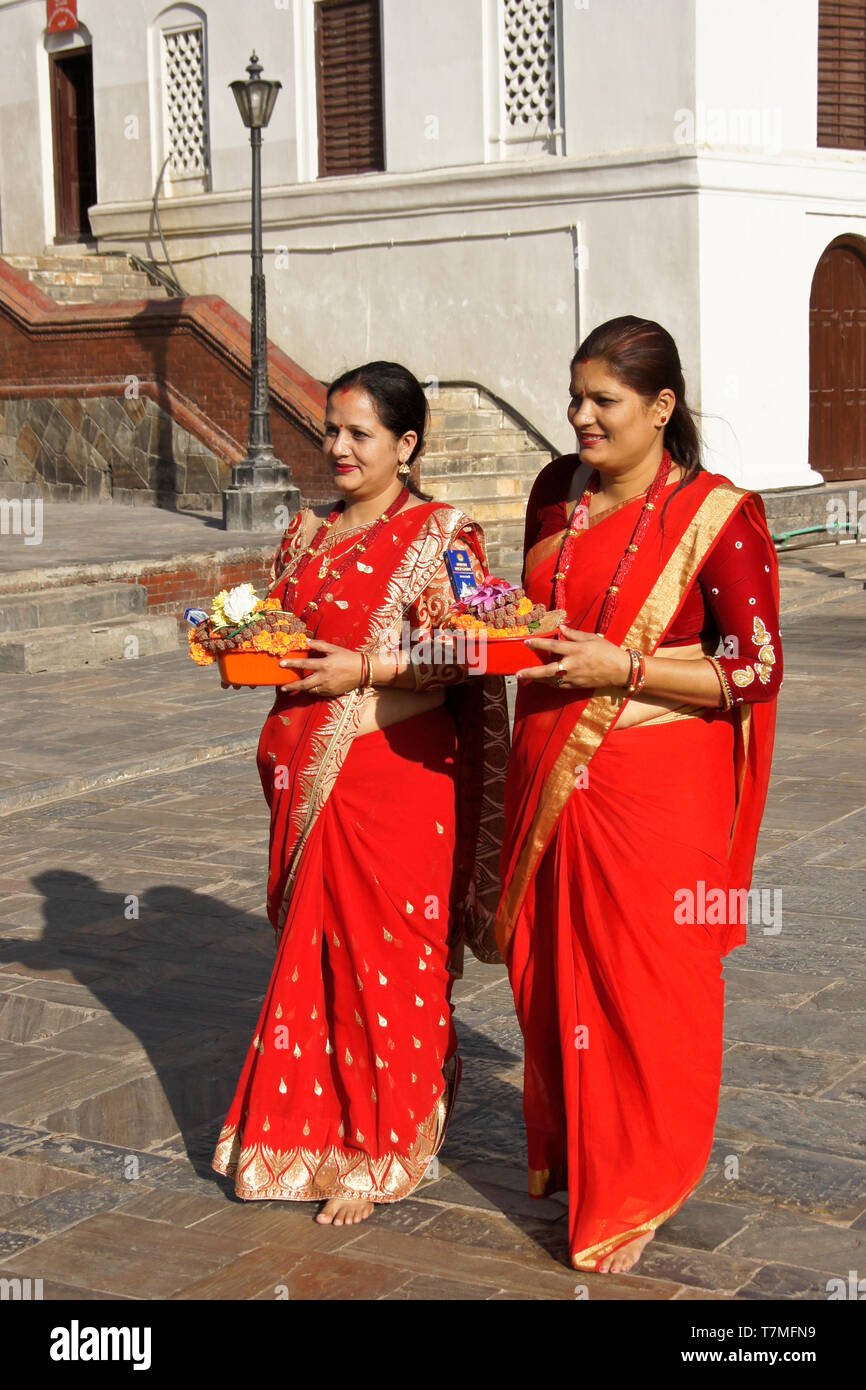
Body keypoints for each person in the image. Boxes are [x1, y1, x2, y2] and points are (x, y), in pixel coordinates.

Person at [497, 317, 782, 1274]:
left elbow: (755, 667)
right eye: (574, 397)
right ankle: (583, 1154)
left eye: (602, 402)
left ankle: (644, 1179)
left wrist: (621, 665)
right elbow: (531, 613)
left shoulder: (719, 514)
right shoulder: (554, 490)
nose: (579, 417)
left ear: (661, 409)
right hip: (550, 765)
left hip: (658, 787)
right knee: (554, 975)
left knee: (646, 983)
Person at [212, 362, 506, 1226]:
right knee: (318, 958)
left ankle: (383, 1144)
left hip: (399, 780)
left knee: (389, 965)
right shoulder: (306, 533)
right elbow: (287, 633)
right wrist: (237, 641)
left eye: (360, 434)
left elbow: (468, 657)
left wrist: (365, 670)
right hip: (310, 774)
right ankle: (311, 1133)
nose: (338, 448)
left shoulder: (443, 536)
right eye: (331, 431)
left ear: (406, 445)